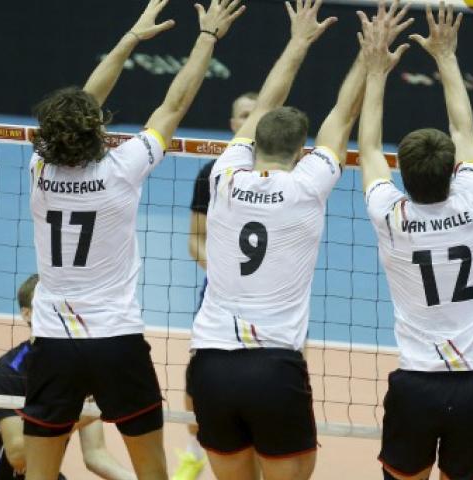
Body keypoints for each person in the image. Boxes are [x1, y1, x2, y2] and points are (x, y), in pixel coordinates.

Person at [185, 1, 412, 479]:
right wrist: (370, 57)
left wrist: (297, 42)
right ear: (301, 150)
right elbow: (342, 117)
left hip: (209, 363)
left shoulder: (224, 175)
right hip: (274, 367)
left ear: (252, 140)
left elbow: (265, 104)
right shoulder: (308, 184)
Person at [21, 0, 245, 478]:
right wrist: (207, 37)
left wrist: (128, 39)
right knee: (152, 471)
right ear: (97, 128)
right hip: (116, 342)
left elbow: (82, 105)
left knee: (38, 474)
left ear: (50, 133)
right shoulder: (122, 168)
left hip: (54, 342)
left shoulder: (40, 167)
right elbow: (174, 105)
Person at [358, 3, 473, 479]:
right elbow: (464, 128)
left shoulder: (391, 215)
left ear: (403, 173)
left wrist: (375, 70)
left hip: (416, 385)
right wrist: (446, 55)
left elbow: (369, 148)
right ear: (452, 171)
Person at [0, 275, 135, 480]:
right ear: (27, 314)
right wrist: (80, 415)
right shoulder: (9, 372)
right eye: (47, 306)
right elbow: (19, 457)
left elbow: (96, 454)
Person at [176, 90, 258, 480]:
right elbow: (195, 238)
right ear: (232, 124)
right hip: (218, 295)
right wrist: (225, 272)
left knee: (264, 379)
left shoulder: (286, 176)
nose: (248, 121)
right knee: (198, 380)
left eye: (256, 114)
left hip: (269, 300)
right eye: (242, 115)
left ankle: (254, 454)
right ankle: (194, 454)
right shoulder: (211, 173)